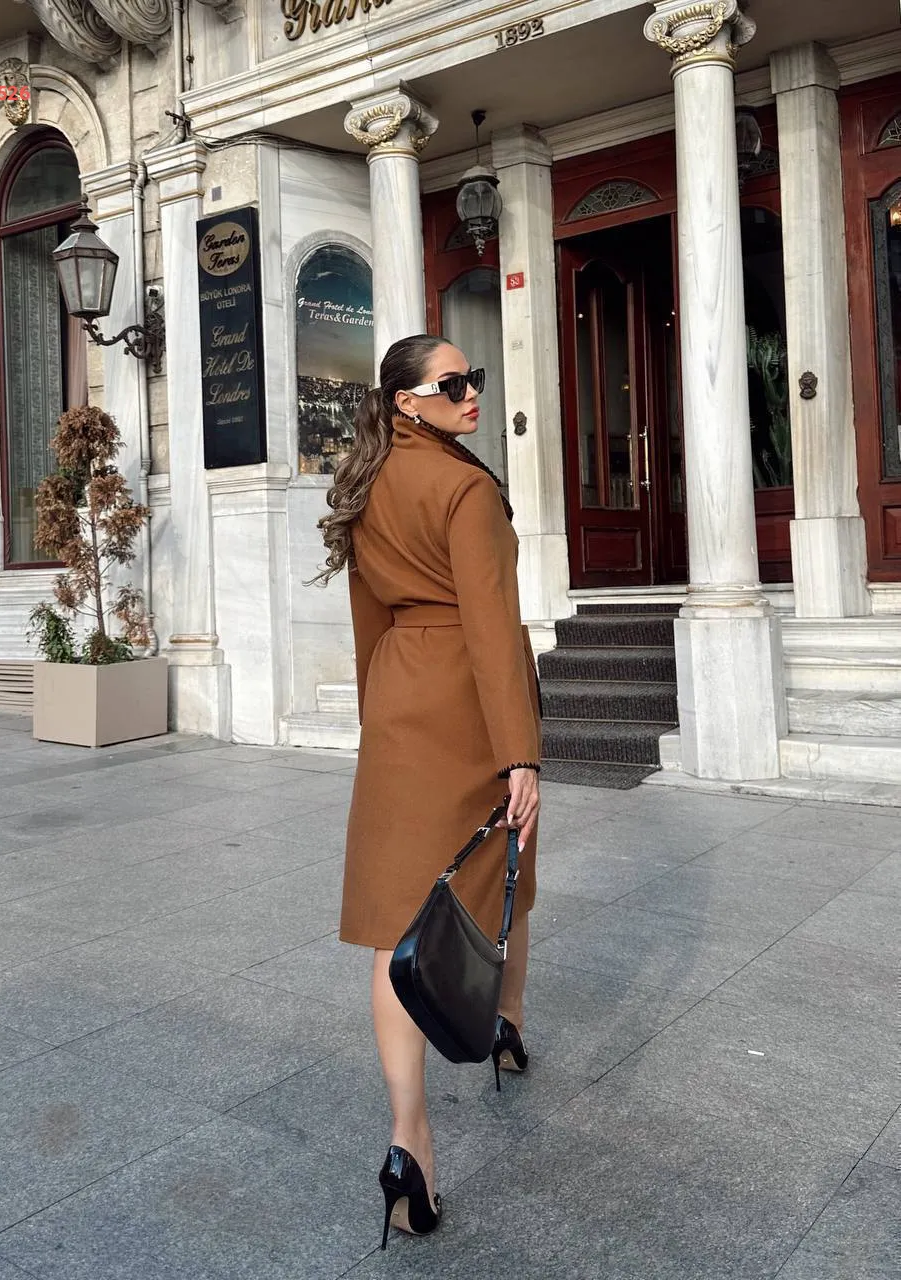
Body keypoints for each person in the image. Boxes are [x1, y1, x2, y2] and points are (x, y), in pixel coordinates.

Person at [313, 334, 542, 1249]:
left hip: (401, 699)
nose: (470, 392)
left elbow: (367, 616)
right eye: (451, 383)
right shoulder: (464, 488)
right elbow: (490, 626)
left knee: (392, 922)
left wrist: (381, 715)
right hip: (469, 705)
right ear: (407, 400)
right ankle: (505, 1023)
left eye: (472, 377)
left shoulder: (368, 482)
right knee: (505, 865)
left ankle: (409, 1139)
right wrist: (519, 752)